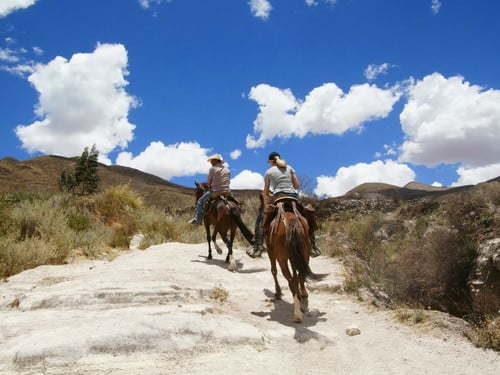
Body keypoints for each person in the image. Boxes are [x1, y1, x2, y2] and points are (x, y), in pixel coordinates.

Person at [248, 151, 321, 258]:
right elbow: (297, 185)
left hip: (278, 197)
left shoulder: (269, 171)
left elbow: (265, 192)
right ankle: (313, 246)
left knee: (260, 219)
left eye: (269, 162)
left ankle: (258, 247)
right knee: (307, 214)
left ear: (271, 161)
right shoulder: (289, 168)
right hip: (293, 197)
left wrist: (269, 195)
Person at [189, 154, 231, 225]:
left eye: (211, 161)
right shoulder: (227, 170)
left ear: (215, 161)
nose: (211, 163)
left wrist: (209, 186)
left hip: (216, 192)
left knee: (200, 202)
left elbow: (208, 183)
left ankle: (198, 220)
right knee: (234, 202)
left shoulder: (212, 169)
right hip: (227, 191)